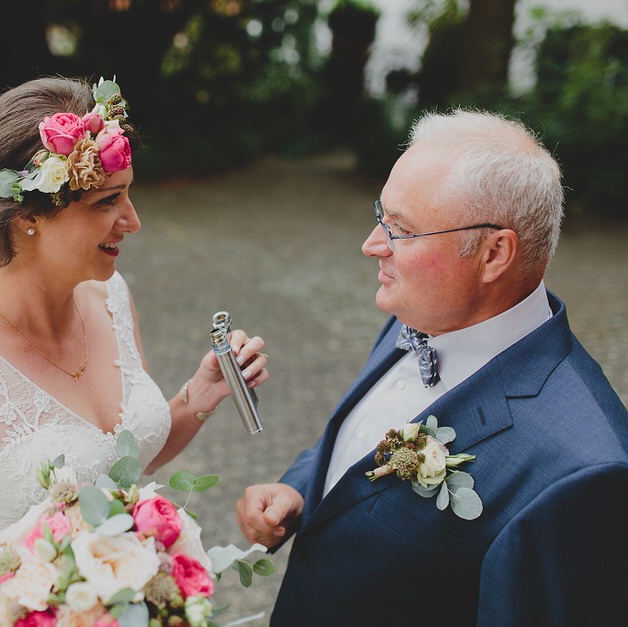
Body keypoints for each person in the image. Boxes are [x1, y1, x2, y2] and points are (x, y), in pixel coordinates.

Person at [0, 76, 269, 625]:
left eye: (129, 193)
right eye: (108, 201)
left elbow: (120, 460)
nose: (133, 220)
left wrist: (201, 391)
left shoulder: (110, 296)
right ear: (28, 217)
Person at [236, 108, 628, 624]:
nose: (371, 244)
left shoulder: (584, 473)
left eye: (400, 230)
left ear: (493, 254)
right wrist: (302, 489)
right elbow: (367, 443)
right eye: (382, 214)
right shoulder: (424, 311)